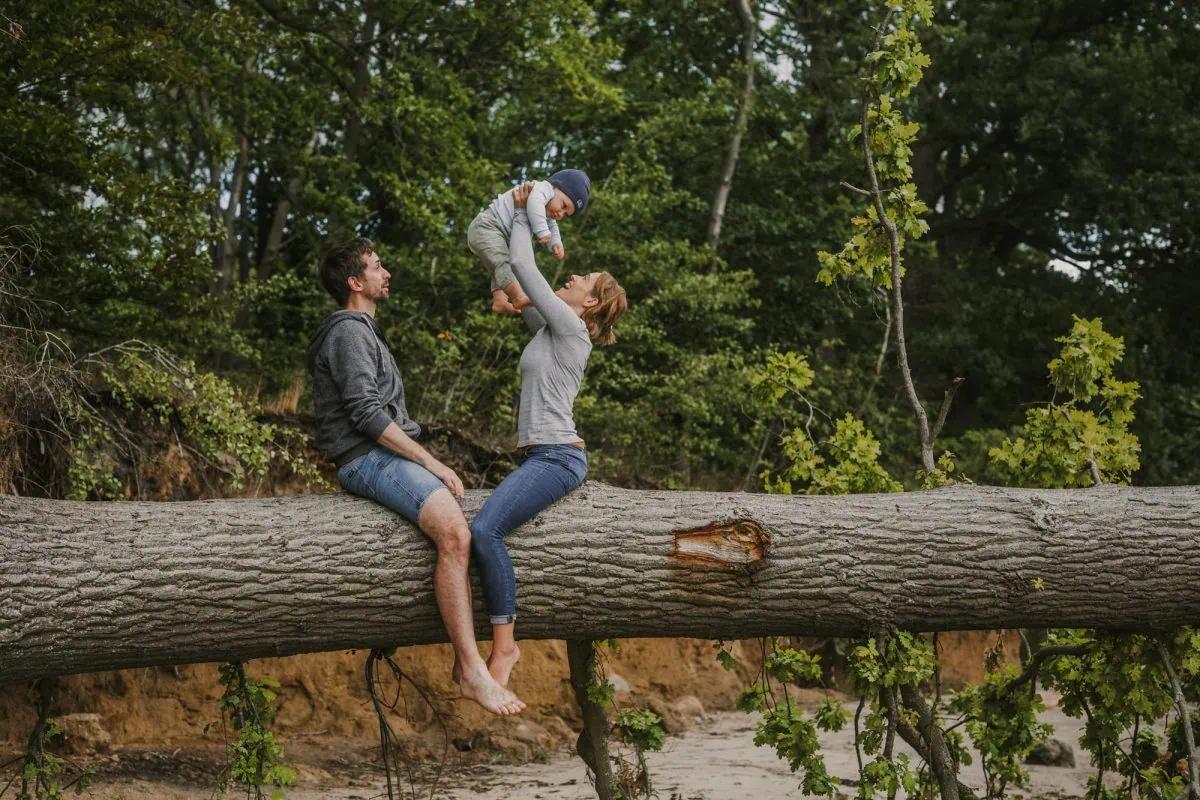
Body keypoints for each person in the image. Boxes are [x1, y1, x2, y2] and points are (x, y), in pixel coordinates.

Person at [305, 237, 525, 716]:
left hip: (381, 456)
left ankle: (476, 661)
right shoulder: (348, 332)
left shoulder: (363, 331)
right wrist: (431, 462)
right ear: (354, 281)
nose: (387, 274)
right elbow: (365, 414)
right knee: (454, 533)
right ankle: (471, 669)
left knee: (460, 523)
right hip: (365, 458)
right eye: (377, 267)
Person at [470, 184, 628, 687]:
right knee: (486, 529)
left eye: (586, 279)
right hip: (541, 457)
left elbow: (523, 264)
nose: (576, 275)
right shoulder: (550, 327)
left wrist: (521, 209)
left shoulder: (569, 327)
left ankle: (505, 647)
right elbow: (517, 288)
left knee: (484, 530)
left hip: (558, 458)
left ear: (589, 303)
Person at [467, 169, 591, 315]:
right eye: (563, 205)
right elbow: (533, 205)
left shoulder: (548, 208)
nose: (560, 214)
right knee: (503, 263)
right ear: (555, 187)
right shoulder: (540, 189)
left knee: (502, 264)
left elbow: (552, 225)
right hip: (487, 227)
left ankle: (499, 301)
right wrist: (542, 231)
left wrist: (556, 243)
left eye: (565, 214)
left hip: (498, 234)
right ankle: (518, 296)